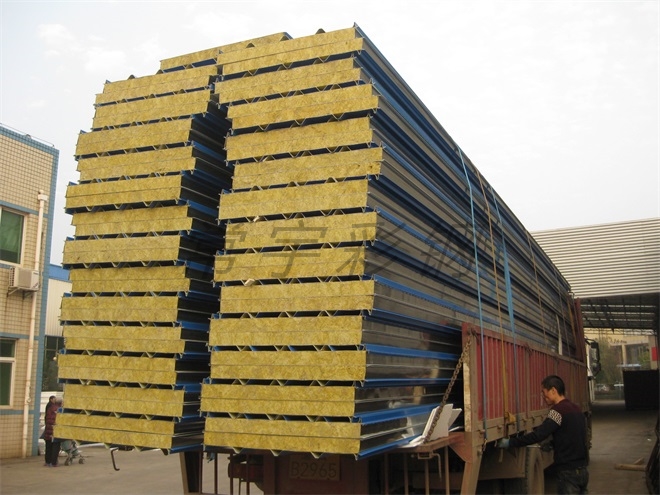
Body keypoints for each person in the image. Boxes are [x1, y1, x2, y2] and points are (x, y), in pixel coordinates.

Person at [495, 375, 589, 494]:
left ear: (553, 390)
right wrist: (553, 444)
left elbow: (538, 435)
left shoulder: (557, 412)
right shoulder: (577, 409)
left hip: (568, 472)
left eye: (544, 393)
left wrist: (511, 442)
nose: (543, 397)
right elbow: (574, 436)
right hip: (583, 471)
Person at [43, 395, 62, 467]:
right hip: (55, 431)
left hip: (48, 429)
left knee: (48, 446)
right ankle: (53, 462)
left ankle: (47, 461)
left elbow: (46, 418)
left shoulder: (49, 408)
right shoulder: (60, 410)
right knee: (55, 447)